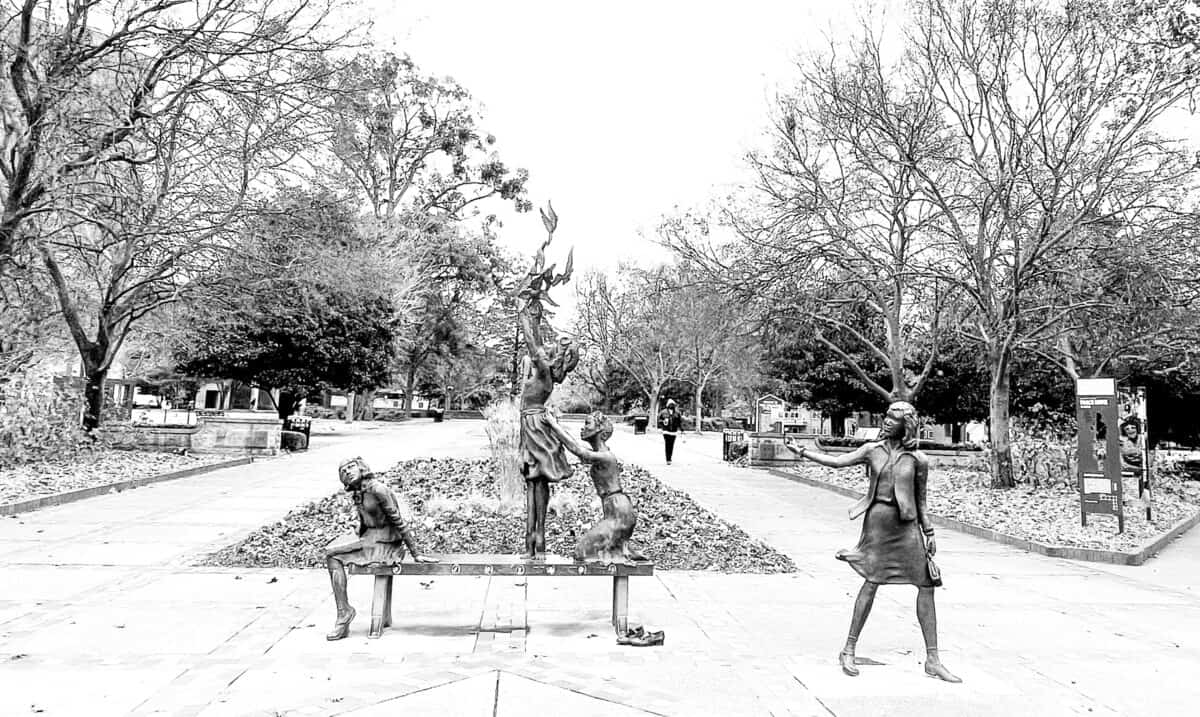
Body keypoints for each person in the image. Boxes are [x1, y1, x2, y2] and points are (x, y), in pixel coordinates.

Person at [785, 402, 961, 683]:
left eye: (895, 418)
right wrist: (803, 452)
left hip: (907, 527)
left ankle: (933, 659)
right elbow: (837, 462)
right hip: (878, 522)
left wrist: (929, 532)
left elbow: (922, 500)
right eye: (887, 417)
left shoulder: (918, 459)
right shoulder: (872, 450)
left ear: (907, 425)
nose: (888, 422)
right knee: (872, 581)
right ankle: (848, 648)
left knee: (927, 585)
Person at [324, 457, 437, 641]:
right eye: (343, 471)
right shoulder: (358, 493)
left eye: (351, 467)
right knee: (331, 554)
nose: (348, 472)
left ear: (361, 468)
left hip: (386, 544)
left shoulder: (378, 489)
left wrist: (416, 553)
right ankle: (343, 612)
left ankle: (344, 614)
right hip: (370, 540)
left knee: (333, 556)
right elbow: (367, 522)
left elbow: (398, 520)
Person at [517, 302, 579, 559]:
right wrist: (534, 315)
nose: (552, 343)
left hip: (534, 425)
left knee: (536, 482)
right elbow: (537, 344)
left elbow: (533, 342)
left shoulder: (543, 369)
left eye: (560, 342)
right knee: (534, 482)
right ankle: (533, 541)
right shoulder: (545, 372)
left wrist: (525, 315)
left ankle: (536, 539)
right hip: (532, 425)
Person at [544, 411, 646, 563]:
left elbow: (578, 450)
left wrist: (553, 424)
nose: (583, 428)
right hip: (614, 511)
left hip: (620, 513)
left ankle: (619, 551)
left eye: (587, 423)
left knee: (582, 551)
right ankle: (619, 549)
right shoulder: (599, 455)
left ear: (599, 429)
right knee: (585, 551)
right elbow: (576, 449)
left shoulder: (606, 456)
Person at [657, 399, 682, 465]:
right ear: (667, 405)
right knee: (667, 444)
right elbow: (659, 421)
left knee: (671, 445)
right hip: (666, 431)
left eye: (673, 404)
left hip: (674, 431)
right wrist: (662, 423)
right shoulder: (663, 412)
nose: (672, 406)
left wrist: (681, 429)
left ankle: (670, 457)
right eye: (670, 404)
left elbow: (679, 422)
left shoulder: (677, 413)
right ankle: (668, 459)